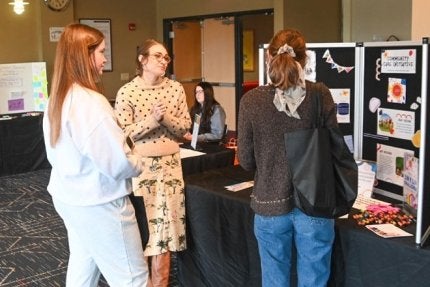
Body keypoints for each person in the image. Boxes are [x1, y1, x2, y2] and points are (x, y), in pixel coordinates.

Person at [42, 23, 148, 287]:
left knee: (83, 266)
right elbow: (118, 163)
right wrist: (138, 161)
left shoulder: (58, 98)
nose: (104, 59)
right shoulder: (91, 102)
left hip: (71, 198)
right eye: (101, 52)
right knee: (133, 279)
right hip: (100, 203)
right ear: (83, 55)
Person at [237, 28, 338, 287]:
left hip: (269, 203)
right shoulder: (320, 95)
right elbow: (334, 151)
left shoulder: (251, 101)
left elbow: (246, 161)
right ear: (305, 61)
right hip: (314, 204)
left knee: (273, 280)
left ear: (268, 57)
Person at [115, 39, 191, 287]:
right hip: (141, 168)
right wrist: (151, 120)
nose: (163, 61)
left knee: (166, 231)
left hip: (171, 166)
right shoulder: (127, 92)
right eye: (158, 56)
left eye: (166, 57)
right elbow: (122, 134)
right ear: (142, 59)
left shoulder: (175, 88)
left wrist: (165, 117)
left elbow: (185, 127)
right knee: (144, 230)